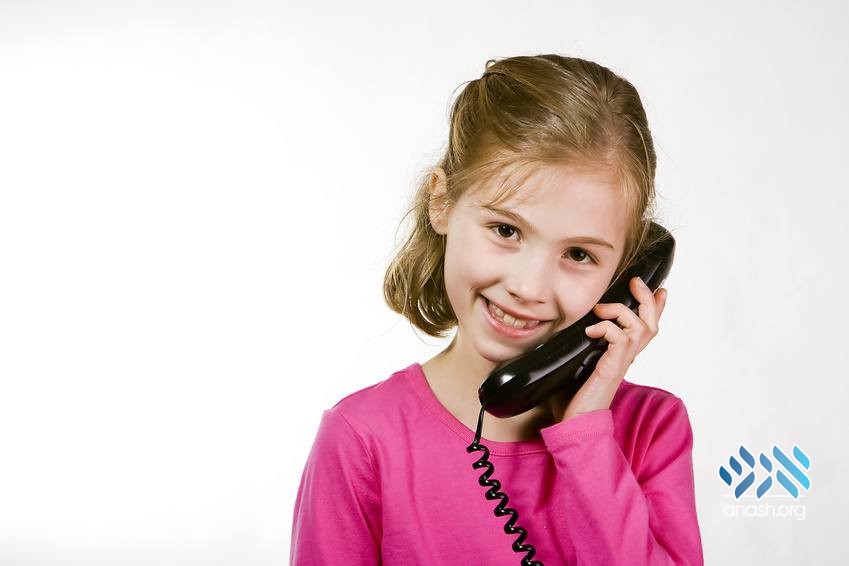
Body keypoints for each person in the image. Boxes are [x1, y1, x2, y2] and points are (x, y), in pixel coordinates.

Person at [290, 53, 704, 565]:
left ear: (627, 274)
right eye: (506, 230)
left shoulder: (651, 428)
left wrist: (586, 438)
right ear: (441, 202)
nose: (529, 288)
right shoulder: (362, 439)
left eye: (579, 254)